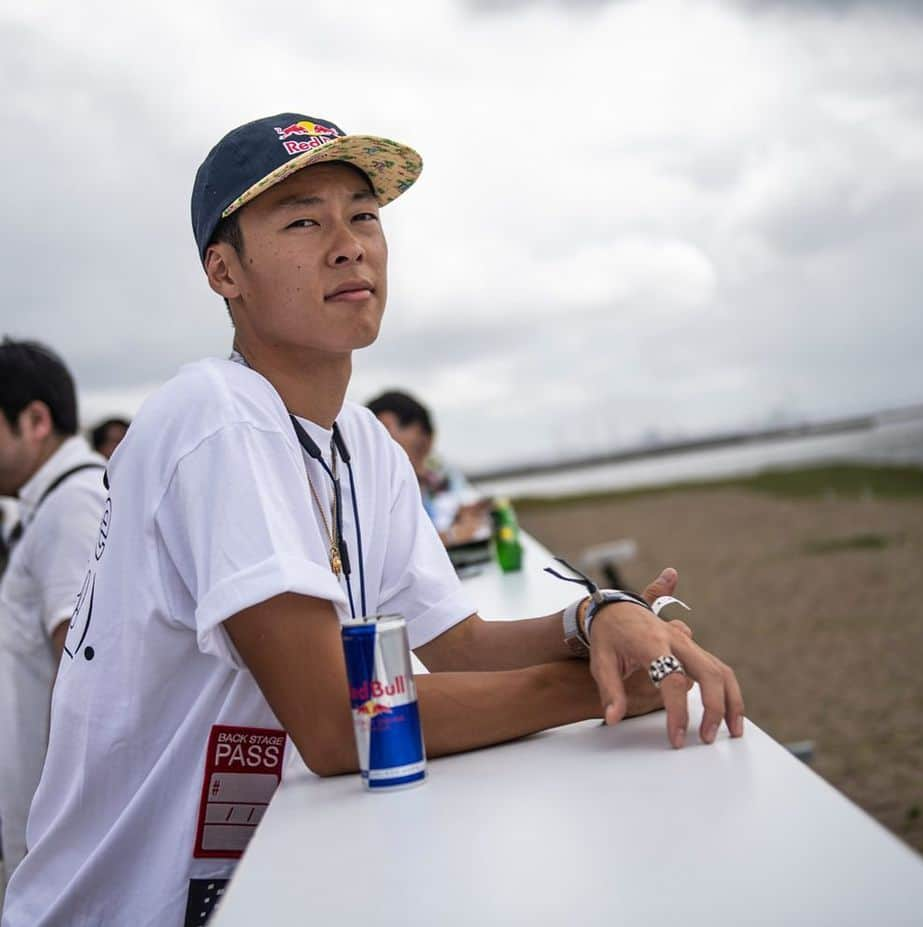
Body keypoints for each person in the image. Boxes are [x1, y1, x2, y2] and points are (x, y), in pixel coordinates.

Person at [1, 113, 743, 927]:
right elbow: (333, 725)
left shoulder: (361, 443)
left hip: (260, 874)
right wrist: (598, 692)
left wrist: (599, 615)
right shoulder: (215, 416)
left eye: (363, 214)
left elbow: (456, 640)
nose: (349, 243)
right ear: (224, 272)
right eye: (303, 220)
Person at [0, 340, 107, 879]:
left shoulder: (71, 506)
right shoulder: (54, 503)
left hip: (61, 859)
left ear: (35, 420)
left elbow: (85, 675)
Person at [368, 389, 488, 546]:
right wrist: (453, 535)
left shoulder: (443, 477)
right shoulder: (372, 492)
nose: (380, 439)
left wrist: (463, 516)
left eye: (387, 428)